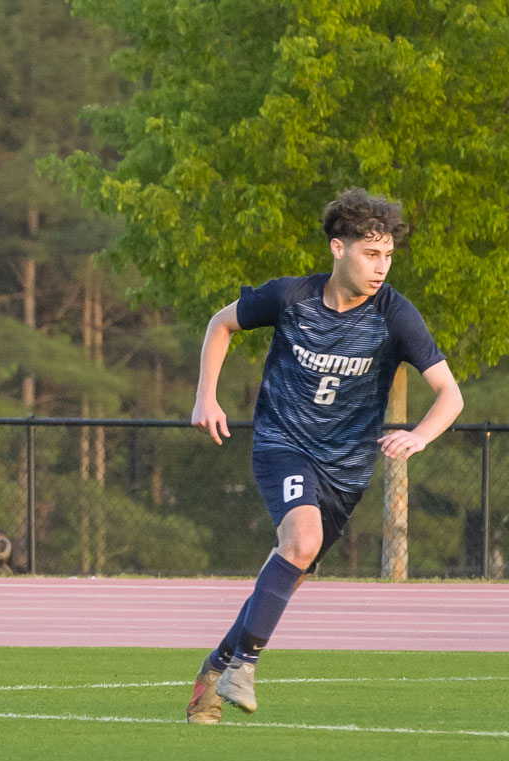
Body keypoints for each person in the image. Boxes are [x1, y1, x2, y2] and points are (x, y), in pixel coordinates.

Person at [185, 188, 464, 724]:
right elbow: (221, 324)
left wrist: (422, 435)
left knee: (292, 564)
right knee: (301, 540)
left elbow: (450, 394)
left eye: (387, 255)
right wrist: (205, 396)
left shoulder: (396, 315)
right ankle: (243, 665)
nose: (381, 266)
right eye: (370, 253)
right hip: (283, 444)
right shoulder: (291, 297)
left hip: (348, 468)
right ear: (339, 248)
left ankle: (215, 667)